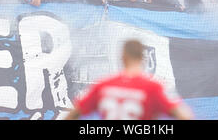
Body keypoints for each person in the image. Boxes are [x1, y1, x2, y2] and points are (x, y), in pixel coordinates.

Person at [65, 39, 193, 120]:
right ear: (143, 59)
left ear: (123, 57)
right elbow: (184, 116)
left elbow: (73, 114)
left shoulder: (104, 85)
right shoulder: (153, 87)